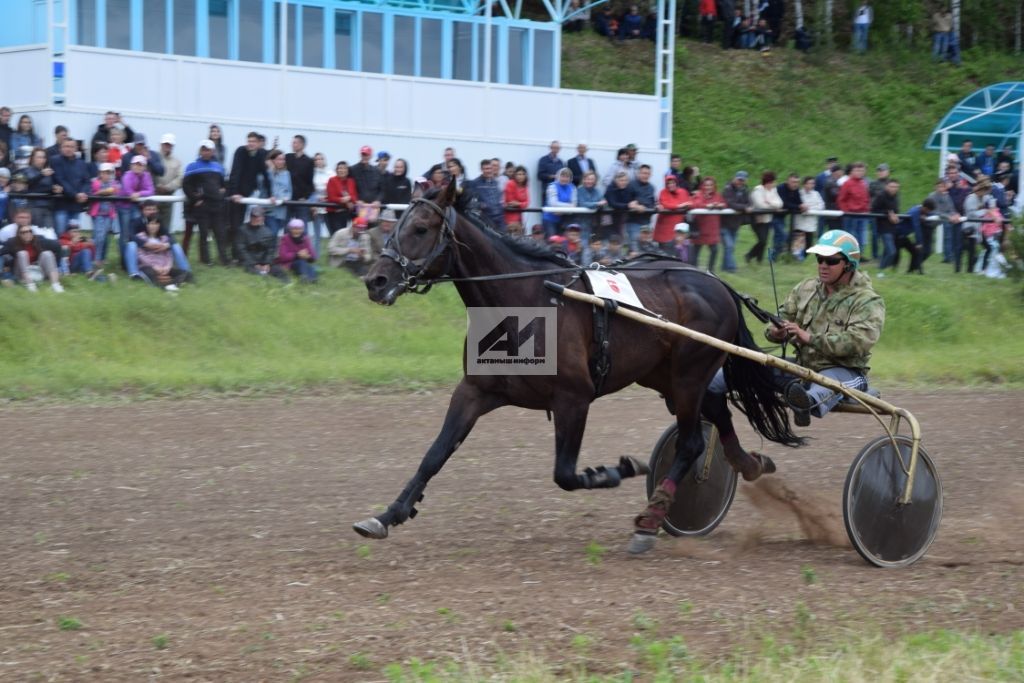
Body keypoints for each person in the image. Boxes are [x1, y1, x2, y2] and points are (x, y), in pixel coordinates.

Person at [707, 230, 883, 429]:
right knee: (747, 367)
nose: (823, 265)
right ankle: (704, 385)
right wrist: (776, 332)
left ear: (849, 264)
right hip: (802, 368)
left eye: (831, 261)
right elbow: (780, 318)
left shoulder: (867, 301)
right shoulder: (805, 288)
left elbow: (857, 342)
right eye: (819, 259)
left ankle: (805, 403)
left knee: (826, 384)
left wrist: (808, 338)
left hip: (847, 373)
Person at [183, 139, 228, 266]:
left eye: (208, 149)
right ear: (200, 151)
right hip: (202, 206)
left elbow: (223, 184)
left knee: (220, 233)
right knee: (203, 234)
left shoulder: (218, 167)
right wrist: (196, 199)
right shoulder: (192, 166)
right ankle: (205, 259)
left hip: (217, 205)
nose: (205, 152)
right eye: (203, 149)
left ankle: (224, 259)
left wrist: (222, 193)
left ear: (213, 151)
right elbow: (186, 186)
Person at [228, 132, 271, 259]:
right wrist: (234, 193)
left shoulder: (262, 154)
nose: (250, 143)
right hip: (237, 193)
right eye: (249, 141)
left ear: (259, 143)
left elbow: (266, 175)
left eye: (253, 141)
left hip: (251, 193)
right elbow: (235, 172)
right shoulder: (240, 151)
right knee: (236, 225)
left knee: (254, 223)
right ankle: (235, 256)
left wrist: (270, 195)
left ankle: (250, 254)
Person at [0, 215, 63, 292]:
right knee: (22, 253)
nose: (27, 234)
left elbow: (58, 246)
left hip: (38, 270)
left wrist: (58, 265)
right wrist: (5, 269)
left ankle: (55, 284)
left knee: (47, 253)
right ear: (19, 234)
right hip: (20, 273)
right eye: (24, 232)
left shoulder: (40, 240)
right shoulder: (12, 242)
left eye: (30, 231)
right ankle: (30, 284)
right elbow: (1, 252)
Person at [136, 216, 190, 291]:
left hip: (164, 267)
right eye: (150, 224)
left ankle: (174, 285)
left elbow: (169, 255)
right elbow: (141, 255)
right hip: (148, 266)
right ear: (146, 225)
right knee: (150, 273)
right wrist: (155, 267)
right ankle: (162, 287)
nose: (153, 226)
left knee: (185, 273)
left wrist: (167, 267)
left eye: (156, 224)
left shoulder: (164, 238)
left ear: (159, 225)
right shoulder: (140, 237)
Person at [236, 207, 287, 280]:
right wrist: (254, 264)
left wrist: (267, 263)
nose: (256, 219)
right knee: (255, 272)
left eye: (259, 217)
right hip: (249, 261)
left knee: (278, 270)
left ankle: (286, 283)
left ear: (263, 218)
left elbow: (271, 250)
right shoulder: (242, 230)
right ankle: (264, 278)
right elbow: (241, 250)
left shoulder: (268, 231)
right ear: (250, 217)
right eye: (254, 216)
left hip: (263, 260)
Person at [688, 176, 724, 272]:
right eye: (706, 185)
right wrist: (707, 205)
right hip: (700, 228)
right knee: (696, 251)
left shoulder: (717, 195)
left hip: (713, 228)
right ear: (703, 185)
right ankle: (693, 271)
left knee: (715, 250)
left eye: (710, 185)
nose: (708, 187)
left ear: (714, 186)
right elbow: (694, 204)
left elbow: (724, 204)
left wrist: (720, 205)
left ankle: (711, 270)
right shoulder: (698, 194)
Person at [88, 162, 120, 268]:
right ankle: (96, 258)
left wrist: (106, 191)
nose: (107, 175)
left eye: (109, 173)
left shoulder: (113, 183)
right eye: (104, 172)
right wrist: (104, 192)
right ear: (100, 173)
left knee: (105, 236)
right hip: (98, 214)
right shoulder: (95, 182)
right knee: (99, 237)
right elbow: (93, 193)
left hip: (108, 214)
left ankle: (101, 257)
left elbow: (117, 190)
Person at [837, 162, 871, 262]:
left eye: (861, 171)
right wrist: (847, 212)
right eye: (857, 170)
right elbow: (841, 200)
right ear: (852, 172)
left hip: (862, 215)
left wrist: (866, 209)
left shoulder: (863, 183)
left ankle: (858, 256)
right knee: (850, 236)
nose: (859, 173)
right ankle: (848, 256)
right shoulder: (847, 183)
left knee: (861, 236)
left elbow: (866, 199)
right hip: (851, 215)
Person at [747, 171, 782, 264]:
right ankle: (749, 255)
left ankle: (759, 260)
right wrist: (773, 207)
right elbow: (760, 205)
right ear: (768, 181)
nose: (774, 184)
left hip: (767, 219)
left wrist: (769, 202)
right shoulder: (758, 190)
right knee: (762, 240)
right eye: (773, 182)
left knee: (764, 241)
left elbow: (780, 203)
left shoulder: (773, 190)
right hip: (756, 219)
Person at [721, 170, 751, 272]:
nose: (740, 182)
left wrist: (742, 207)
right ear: (735, 178)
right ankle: (732, 268)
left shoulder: (745, 190)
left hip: (736, 223)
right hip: (724, 223)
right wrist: (743, 208)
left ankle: (724, 267)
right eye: (739, 179)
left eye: (742, 180)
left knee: (731, 247)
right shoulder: (727, 189)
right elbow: (730, 203)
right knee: (729, 246)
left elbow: (749, 203)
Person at [654, 174, 691, 253]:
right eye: (668, 183)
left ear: (676, 183)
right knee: (663, 252)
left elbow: (689, 203)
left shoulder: (683, 192)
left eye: (672, 183)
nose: (670, 185)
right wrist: (679, 206)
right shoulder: (663, 192)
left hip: (677, 227)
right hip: (664, 228)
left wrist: (686, 206)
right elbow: (664, 204)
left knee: (677, 251)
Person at [871, 178, 901, 274]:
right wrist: (887, 214)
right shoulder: (880, 196)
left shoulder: (896, 196)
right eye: (892, 186)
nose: (894, 189)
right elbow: (873, 210)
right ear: (886, 186)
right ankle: (881, 271)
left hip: (892, 226)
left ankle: (880, 270)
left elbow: (895, 210)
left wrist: (895, 216)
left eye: (896, 187)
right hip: (883, 227)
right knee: (892, 252)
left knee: (886, 252)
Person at [155, 133, 183, 231]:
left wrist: (168, 187)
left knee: (166, 226)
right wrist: (157, 186)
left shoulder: (177, 161)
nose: (167, 146)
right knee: (152, 224)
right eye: (165, 144)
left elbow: (180, 179)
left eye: (169, 144)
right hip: (154, 196)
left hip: (168, 197)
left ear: (172, 146)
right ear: (161, 145)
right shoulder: (154, 158)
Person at [285, 134, 314, 227]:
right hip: (288, 198)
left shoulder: (309, 161)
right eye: (292, 143)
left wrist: (305, 197)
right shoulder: (287, 157)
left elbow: (310, 181)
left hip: (301, 200)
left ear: (302, 144)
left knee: (301, 226)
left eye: (295, 143)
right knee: (287, 226)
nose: (292, 145)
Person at [24, 147, 56, 230]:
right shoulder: (28, 170)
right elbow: (29, 185)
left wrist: (55, 189)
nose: (42, 160)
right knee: (37, 233)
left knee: (50, 233)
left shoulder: (48, 172)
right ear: (32, 158)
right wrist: (41, 175)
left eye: (44, 157)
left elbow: (48, 187)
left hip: (48, 207)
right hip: (34, 206)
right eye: (39, 157)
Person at [277, 217, 318, 283]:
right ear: (290, 229)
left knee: (310, 267)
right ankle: (304, 277)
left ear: (302, 229)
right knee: (301, 262)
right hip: (289, 264)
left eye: (299, 229)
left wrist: (308, 257)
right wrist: (297, 254)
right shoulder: (285, 238)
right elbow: (283, 256)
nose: (297, 231)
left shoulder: (305, 238)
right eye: (294, 229)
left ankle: (313, 279)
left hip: (303, 262)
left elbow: (313, 256)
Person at [793, 175, 824, 259]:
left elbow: (821, 205)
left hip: (811, 224)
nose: (811, 185)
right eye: (809, 183)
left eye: (812, 183)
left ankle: (803, 258)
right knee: (798, 244)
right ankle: (796, 259)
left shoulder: (816, 194)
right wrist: (806, 208)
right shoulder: (799, 193)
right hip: (799, 223)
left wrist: (810, 208)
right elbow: (799, 205)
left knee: (809, 245)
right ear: (804, 184)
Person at [626, 164, 656, 250]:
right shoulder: (631, 185)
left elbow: (651, 204)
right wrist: (636, 205)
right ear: (639, 173)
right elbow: (628, 202)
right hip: (634, 222)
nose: (645, 175)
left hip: (646, 223)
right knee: (634, 249)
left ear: (650, 175)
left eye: (647, 173)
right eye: (643, 173)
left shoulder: (651, 187)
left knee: (646, 248)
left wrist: (639, 203)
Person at [469, 158, 504, 231]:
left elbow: (499, 198)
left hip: (500, 218)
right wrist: (482, 205)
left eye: (490, 168)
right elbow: (470, 203)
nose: (489, 171)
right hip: (486, 218)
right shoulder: (475, 183)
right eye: (486, 169)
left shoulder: (495, 182)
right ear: (481, 170)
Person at [325, 161, 358, 236]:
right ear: (336, 170)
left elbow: (354, 196)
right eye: (340, 168)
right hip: (335, 213)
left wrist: (349, 198)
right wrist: (343, 200)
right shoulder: (332, 180)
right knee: (337, 235)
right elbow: (331, 197)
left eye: (344, 168)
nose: (342, 170)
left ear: (347, 170)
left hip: (347, 213)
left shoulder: (351, 181)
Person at [266, 149, 293, 240]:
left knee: (276, 233)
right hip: (270, 209)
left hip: (282, 209)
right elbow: (265, 188)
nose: (281, 161)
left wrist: (286, 198)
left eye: (283, 159)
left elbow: (289, 190)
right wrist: (271, 170)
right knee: (272, 233)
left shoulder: (287, 174)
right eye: (279, 159)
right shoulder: (268, 173)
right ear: (273, 160)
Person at [543, 167, 577, 237]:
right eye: (562, 176)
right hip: (550, 219)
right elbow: (553, 204)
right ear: (558, 176)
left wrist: (561, 211)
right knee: (552, 241)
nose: (564, 179)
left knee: (563, 243)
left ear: (570, 178)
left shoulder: (572, 187)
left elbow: (574, 205)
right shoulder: (552, 186)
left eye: (567, 177)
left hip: (564, 220)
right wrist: (569, 206)